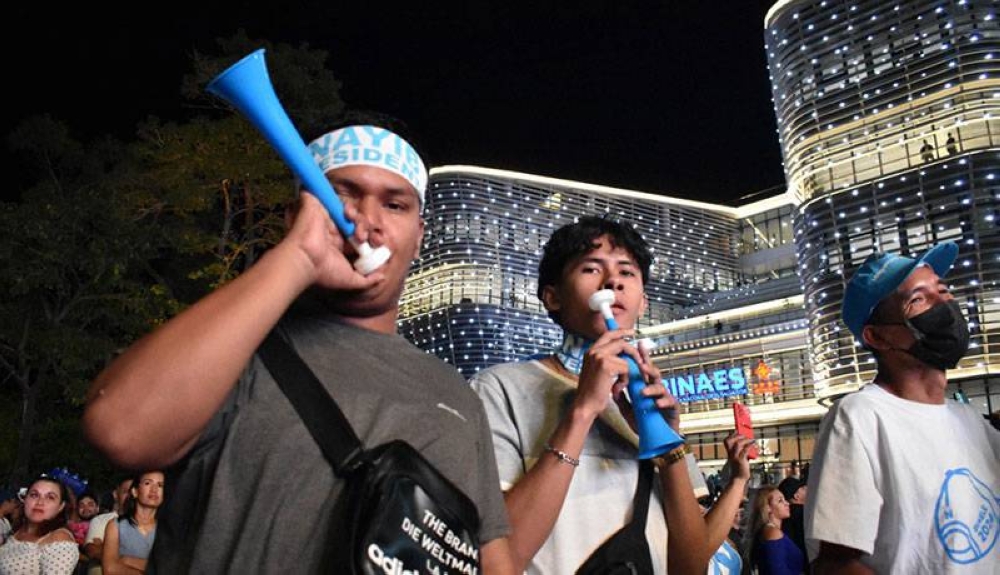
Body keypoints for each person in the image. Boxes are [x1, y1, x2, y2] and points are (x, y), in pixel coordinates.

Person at [82, 124, 515, 573]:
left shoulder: (458, 394)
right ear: (296, 217)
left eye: (394, 204)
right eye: (342, 196)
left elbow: (491, 555)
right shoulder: (233, 350)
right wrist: (299, 258)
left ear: (420, 235)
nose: (367, 220)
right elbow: (119, 431)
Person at [469, 216, 718, 573]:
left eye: (627, 273)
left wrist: (669, 444)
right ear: (552, 297)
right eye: (591, 268)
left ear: (643, 302)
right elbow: (498, 558)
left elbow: (692, 566)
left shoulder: (641, 402)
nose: (613, 281)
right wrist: (583, 410)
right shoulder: (499, 389)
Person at [806, 241, 1000, 573]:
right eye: (918, 299)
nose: (944, 304)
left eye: (942, 290)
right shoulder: (859, 418)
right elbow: (835, 566)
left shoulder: (969, 420)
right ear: (878, 337)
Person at [0, 475, 78, 575]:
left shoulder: (59, 539)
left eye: (50, 497)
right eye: (34, 495)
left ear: (61, 506)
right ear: (25, 499)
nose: (40, 502)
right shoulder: (17, 531)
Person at [100, 472, 163, 575]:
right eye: (148, 483)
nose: (154, 489)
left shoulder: (168, 528)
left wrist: (127, 560)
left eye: (160, 485)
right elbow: (110, 569)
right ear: (135, 492)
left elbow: (170, 568)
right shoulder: (116, 526)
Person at [747, 486, 805, 575]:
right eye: (780, 501)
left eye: (784, 499)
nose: (787, 503)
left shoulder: (771, 531)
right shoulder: (772, 533)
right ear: (767, 508)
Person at [82, 478, 132, 575]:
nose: (130, 495)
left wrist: (105, 547)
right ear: (115, 494)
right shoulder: (100, 520)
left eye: (134, 491)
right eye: (126, 491)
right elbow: (92, 550)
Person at [777, 475, 807, 564]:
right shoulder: (803, 513)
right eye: (803, 488)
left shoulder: (785, 515)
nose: (807, 489)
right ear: (796, 496)